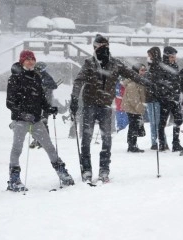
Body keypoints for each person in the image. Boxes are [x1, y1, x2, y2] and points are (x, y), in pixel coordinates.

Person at [69, 34, 153, 183]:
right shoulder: (89, 63)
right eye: (100, 46)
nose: (103, 49)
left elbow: (132, 75)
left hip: (106, 106)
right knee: (86, 139)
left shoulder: (115, 63)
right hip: (89, 104)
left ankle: (104, 169)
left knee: (106, 139)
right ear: (94, 48)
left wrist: (147, 83)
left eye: (105, 46)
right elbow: (78, 81)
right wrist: (75, 98)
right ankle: (86, 170)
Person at [6, 50, 74, 191]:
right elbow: (10, 102)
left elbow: (41, 99)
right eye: (27, 59)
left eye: (32, 59)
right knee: (17, 148)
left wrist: (49, 109)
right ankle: (14, 180)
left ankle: (62, 172)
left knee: (49, 146)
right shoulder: (15, 78)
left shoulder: (37, 77)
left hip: (36, 120)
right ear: (22, 61)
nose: (30, 61)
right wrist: (23, 114)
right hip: (20, 120)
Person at [156, 46, 183, 152]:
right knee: (162, 122)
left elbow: (177, 82)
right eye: (172, 57)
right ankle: (162, 143)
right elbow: (160, 83)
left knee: (178, 120)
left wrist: (177, 93)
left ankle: (175, 143)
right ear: (166, 56)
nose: (174, 59)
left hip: (175, 99)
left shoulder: (175, 66)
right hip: (165, 99)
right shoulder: (161, 67)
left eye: (174, 57)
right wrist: (166, 94)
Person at [29, 61, 58, 149]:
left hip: (46, 103)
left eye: (38, 69)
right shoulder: (33, 76)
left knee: (44, 122)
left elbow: (54, 85)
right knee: (34, 122)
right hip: (35, 103)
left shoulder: (46, 76)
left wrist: (43, 84)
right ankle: (36, 139)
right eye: (36, 68)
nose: (36, 70)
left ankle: (45, 141)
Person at [146, 46, 168, 151]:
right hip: (152, 98)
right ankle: (156, 142)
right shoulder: (153, 66)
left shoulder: (157, 67)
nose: (148, 57)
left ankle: (159, 142)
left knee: (157, 122)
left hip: (156, 98)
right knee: (155, 122)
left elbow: (158, 82)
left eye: (149, 55)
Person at [121, 63, 147, 153]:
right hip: (132, 108)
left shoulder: (138, 81)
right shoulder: (133, 83)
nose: (144, 72)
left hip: (134, 107)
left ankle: (132, 144)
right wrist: (140, 109)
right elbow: (134, 99)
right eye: (142, 70)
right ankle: (132, 145)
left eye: (144, 70)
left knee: (134, 126)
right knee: (133, 126)